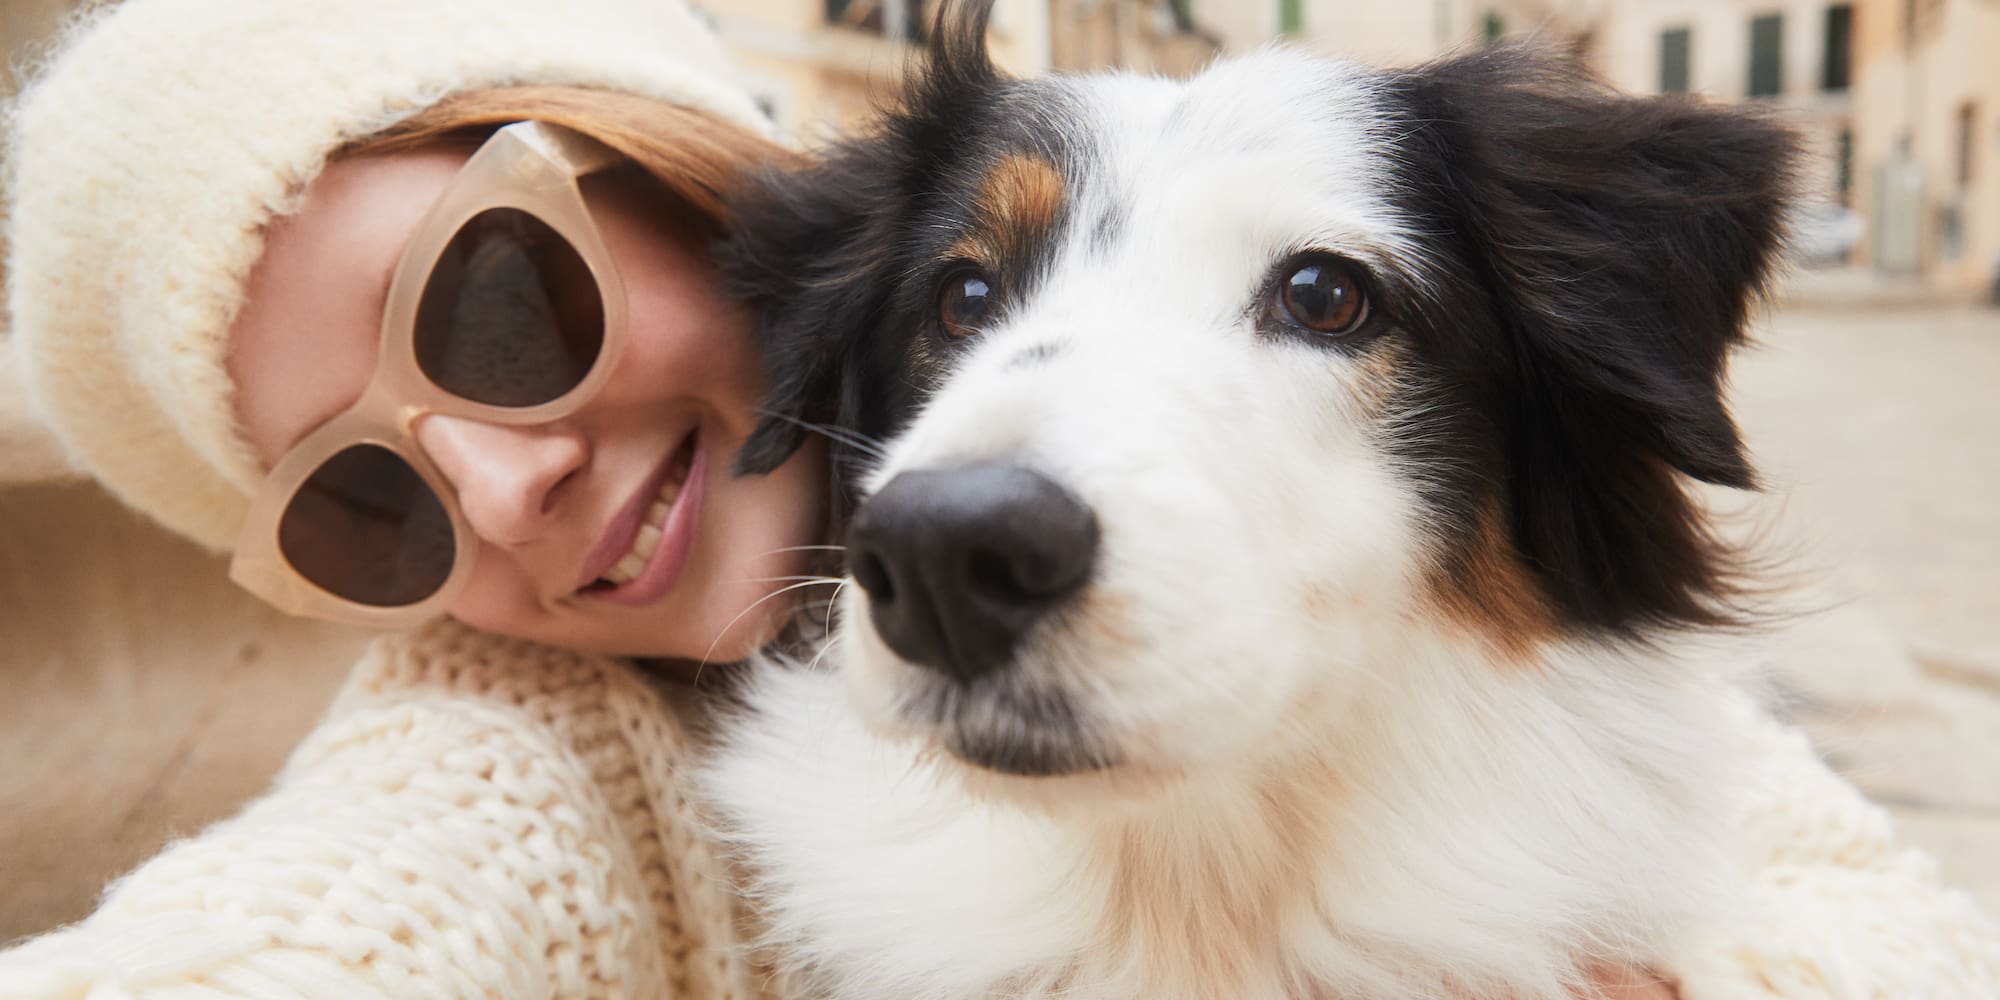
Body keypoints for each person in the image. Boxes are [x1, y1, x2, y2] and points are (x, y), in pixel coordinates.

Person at [0, 0, 1993, 997]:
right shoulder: (526, 730)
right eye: (361, 497)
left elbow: (1852, 907)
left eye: (499, 301)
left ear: (691, 192)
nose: (498, 478)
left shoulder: (1622, 753)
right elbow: (313, 926)